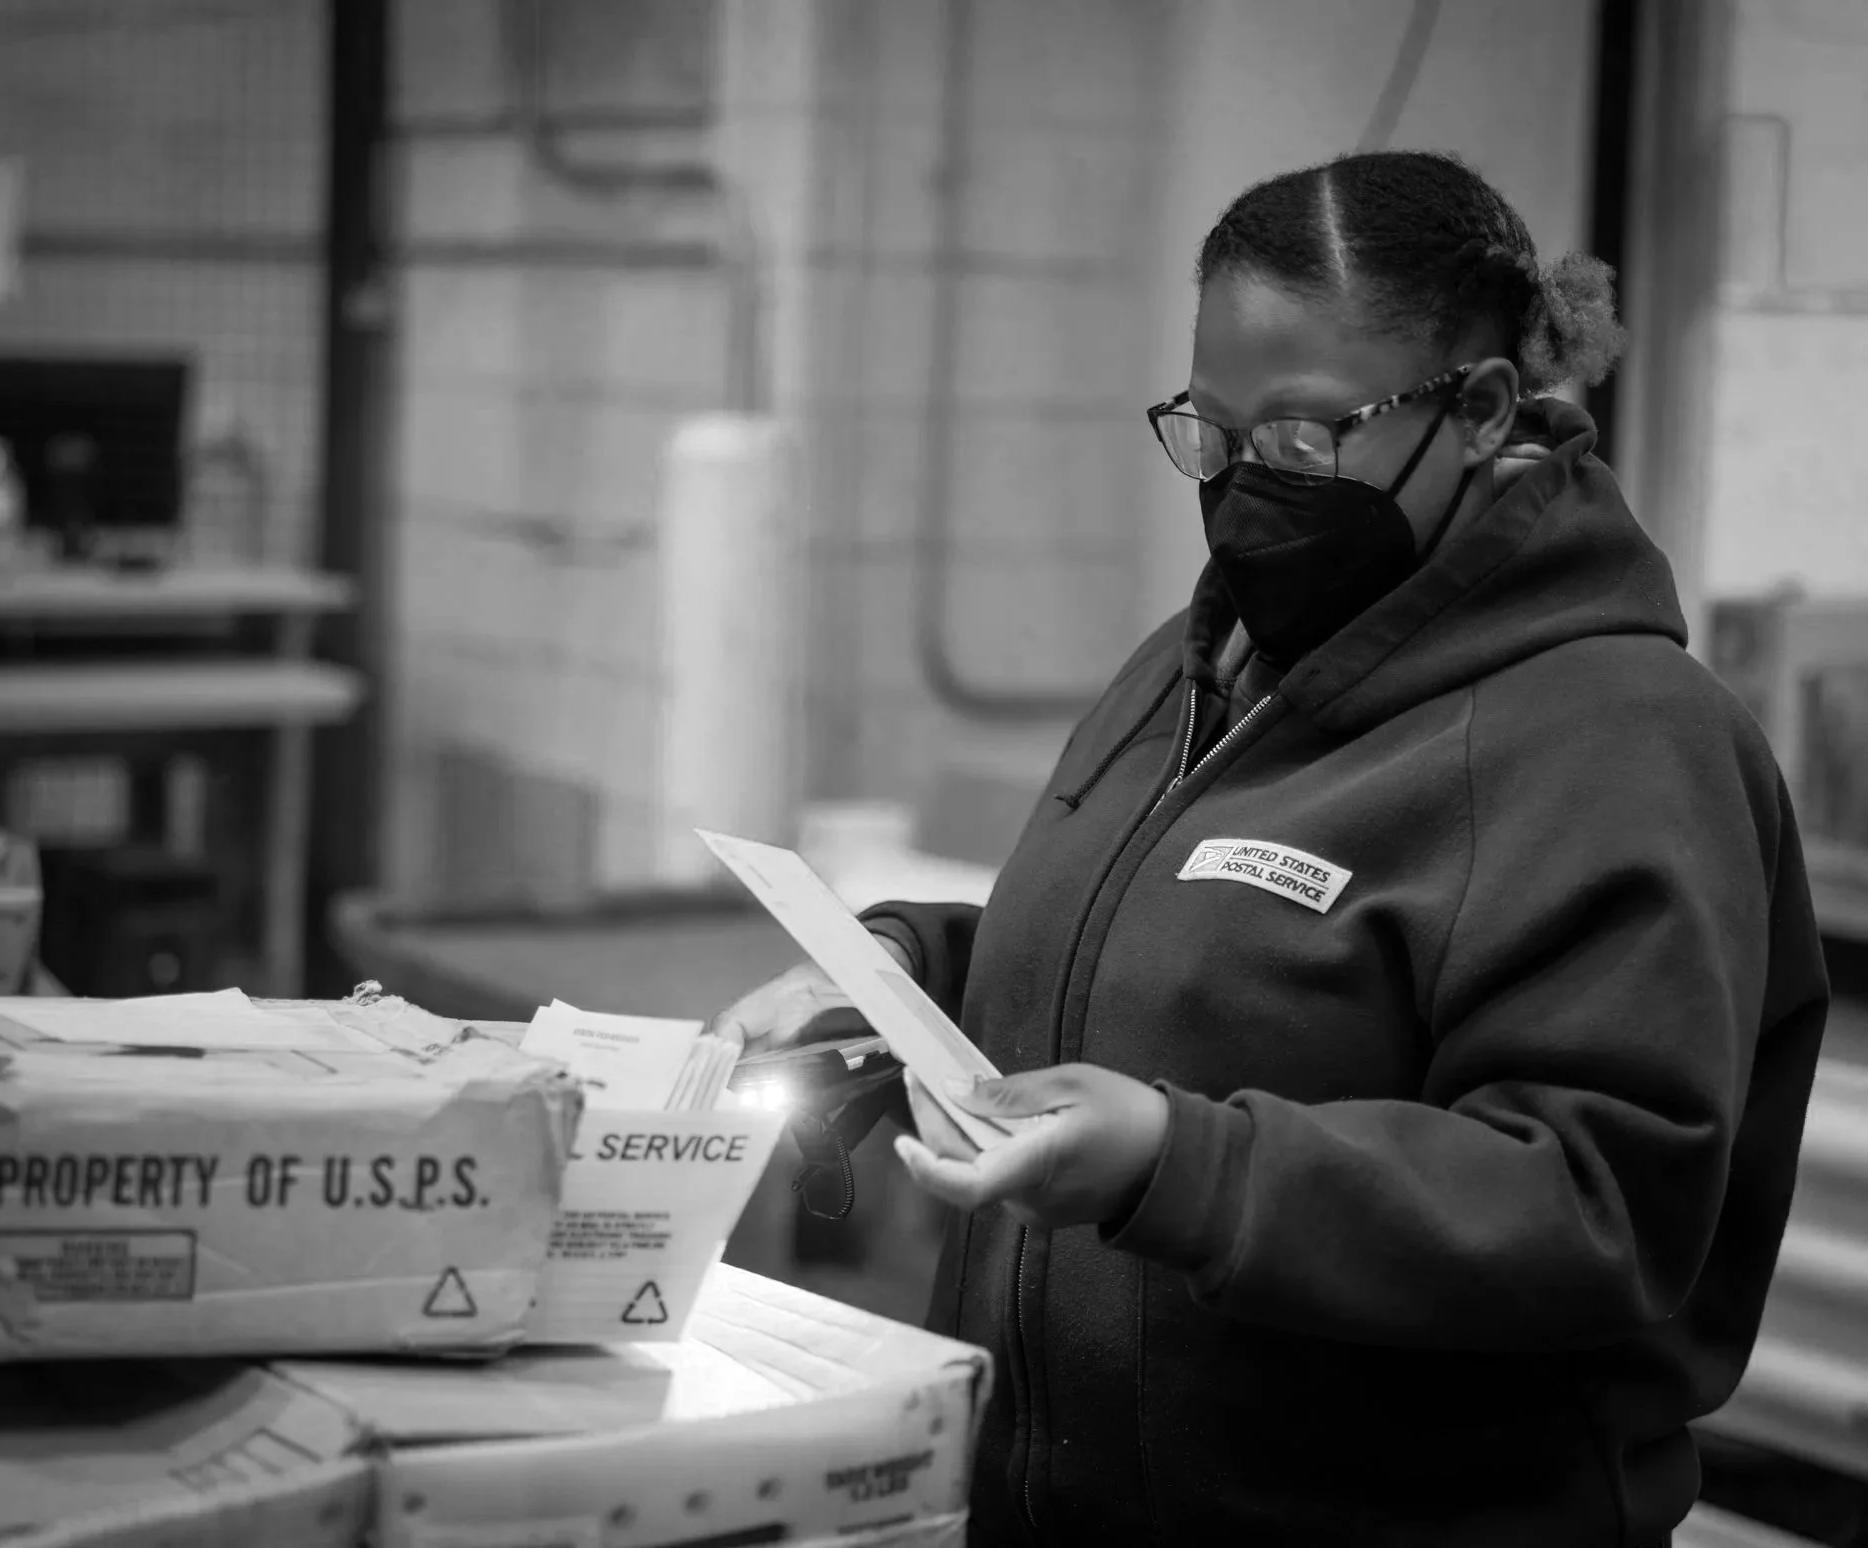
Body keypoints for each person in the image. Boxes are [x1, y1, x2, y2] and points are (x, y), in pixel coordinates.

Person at [710, 150, 1829, 1547]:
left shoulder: (1617, 741)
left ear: (1478, 410)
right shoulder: (1208, 660)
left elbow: (1594, 1204)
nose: (1245, 487)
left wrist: (1170, 1166)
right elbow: (1152, 959)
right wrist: (897, 981)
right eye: (1210, 431)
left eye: (1303, 439)